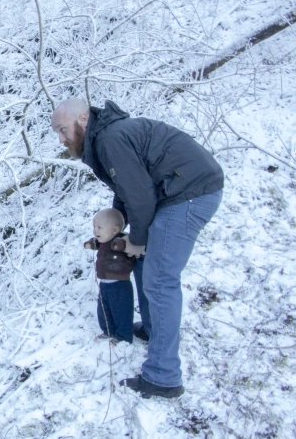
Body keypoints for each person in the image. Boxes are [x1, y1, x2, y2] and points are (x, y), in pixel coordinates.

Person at [51, 98, 224, 399]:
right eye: (57, 133)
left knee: (159, 279)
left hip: (189, 193)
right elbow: (128, 190)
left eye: (63, 130)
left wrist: (137, 239)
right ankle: (154, 328)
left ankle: (163, 376)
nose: (62, 139)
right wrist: (118, 226)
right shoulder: (106, 137)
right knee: (144, 260)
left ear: (82, 117)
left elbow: (141, 198)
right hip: (177, 191)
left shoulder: (111, 139)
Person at [84, 208, 137, 346]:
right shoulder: (103, 242)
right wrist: (90, 244)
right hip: (105, 284)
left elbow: (128, 245)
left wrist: (120, 245)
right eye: (94, 227)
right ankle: (108, 330)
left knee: (121, 311)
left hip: (120, 285)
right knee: (104, 309)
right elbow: (96, 242)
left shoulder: (122, 240)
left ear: (114, 230)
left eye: (99, 227)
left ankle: (124, 336)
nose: (95, 231)